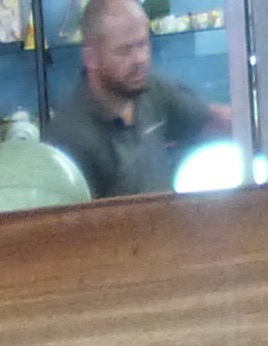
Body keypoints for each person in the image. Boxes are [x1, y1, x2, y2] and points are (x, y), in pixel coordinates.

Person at [44, 0, 220, 198]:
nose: (140, 59)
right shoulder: (69, 138)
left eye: (143, 44)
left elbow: (210, 119)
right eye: (124, 50)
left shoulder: (151, 89)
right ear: (90, 57)